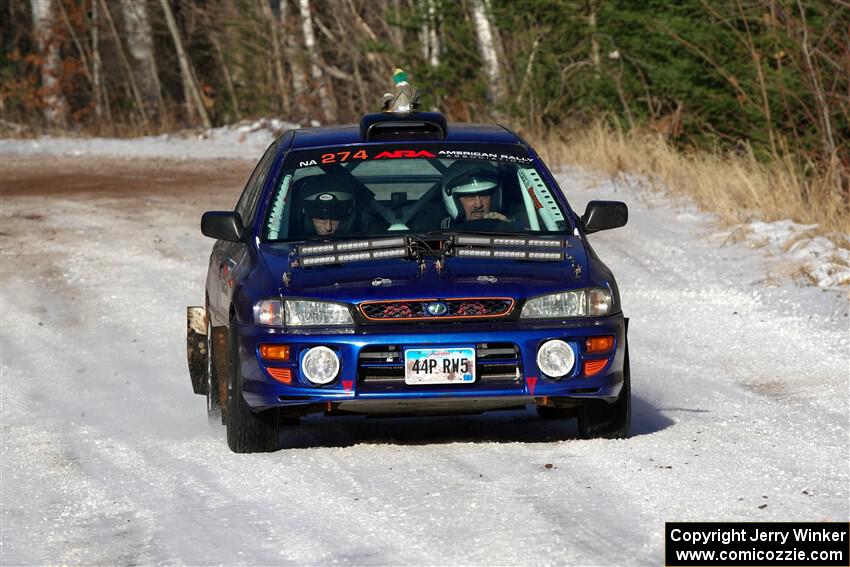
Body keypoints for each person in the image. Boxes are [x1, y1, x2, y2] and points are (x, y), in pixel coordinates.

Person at [440, 161, 509, 228]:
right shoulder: (437, 232)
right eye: (470, 196)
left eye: (484, 195)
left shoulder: (507, 224)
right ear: (453, 201)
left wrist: (505, 229)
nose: (478, 204)